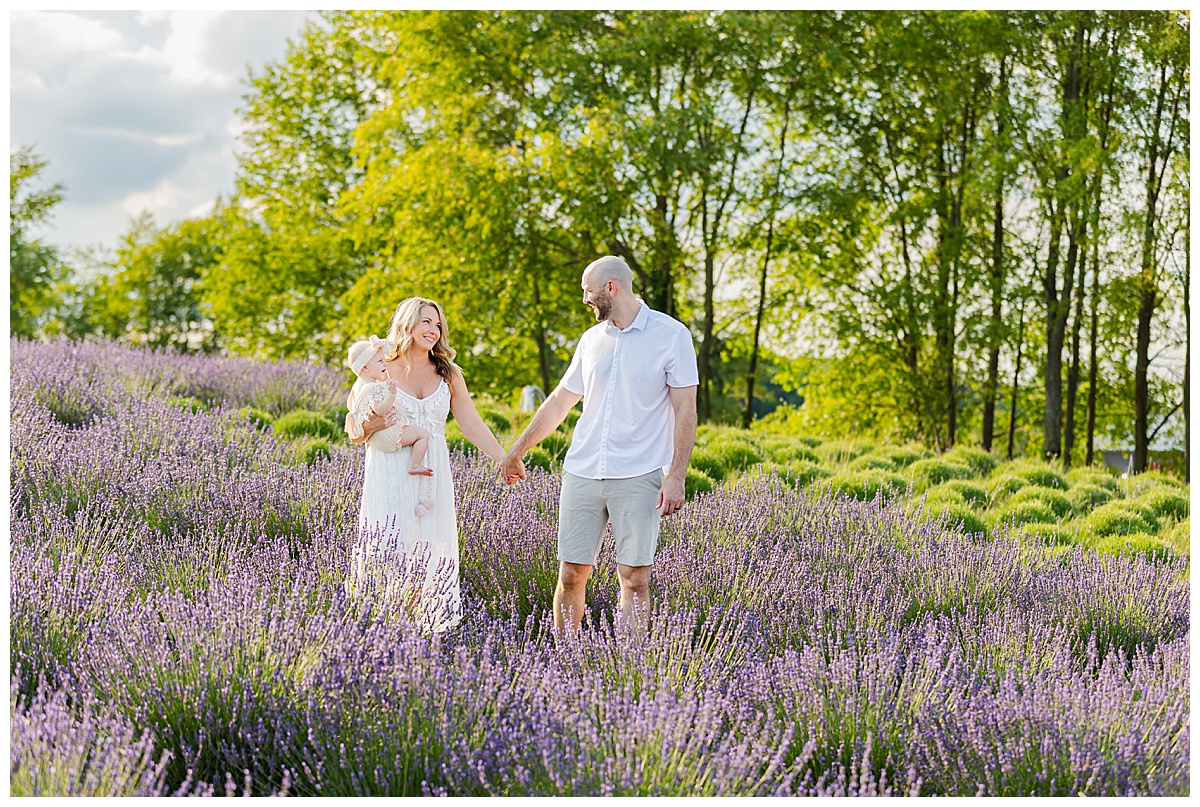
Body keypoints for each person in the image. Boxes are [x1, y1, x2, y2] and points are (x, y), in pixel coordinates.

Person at [501, 255, 698, 632]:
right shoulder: (591, 340)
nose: (584, 299)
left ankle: (629, 666)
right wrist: (518, 449)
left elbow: (686, 409)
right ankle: (566, 661)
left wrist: (677, 476)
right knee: (571, 575)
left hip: (639, 474)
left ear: (611, 288)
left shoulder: (672, 336)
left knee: (635, 578)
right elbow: (560, 400)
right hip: (583, 472)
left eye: (587, 291)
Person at [348, 297, 509, 632]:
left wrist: (504, 459)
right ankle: (382, 641)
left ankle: (424, 649)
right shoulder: (379, 369)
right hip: (390, 474)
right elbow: (355, 429)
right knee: (391, 555)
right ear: (407, 323)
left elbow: (472, 423)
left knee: (429, 556)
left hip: (432, 477)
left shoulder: (447, 373)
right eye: (426, 322)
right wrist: (374, 426)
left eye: (437, 324)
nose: (434, 330)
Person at [345, 335, 434, 487]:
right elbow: (379, 410)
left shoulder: (358, 387)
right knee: (422, 434)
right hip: (388, 435)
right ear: (365, 368)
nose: (385, 364)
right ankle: (415, 464)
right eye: (380, 361)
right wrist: (391, 393)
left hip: (374, 440)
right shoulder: (374, 387)